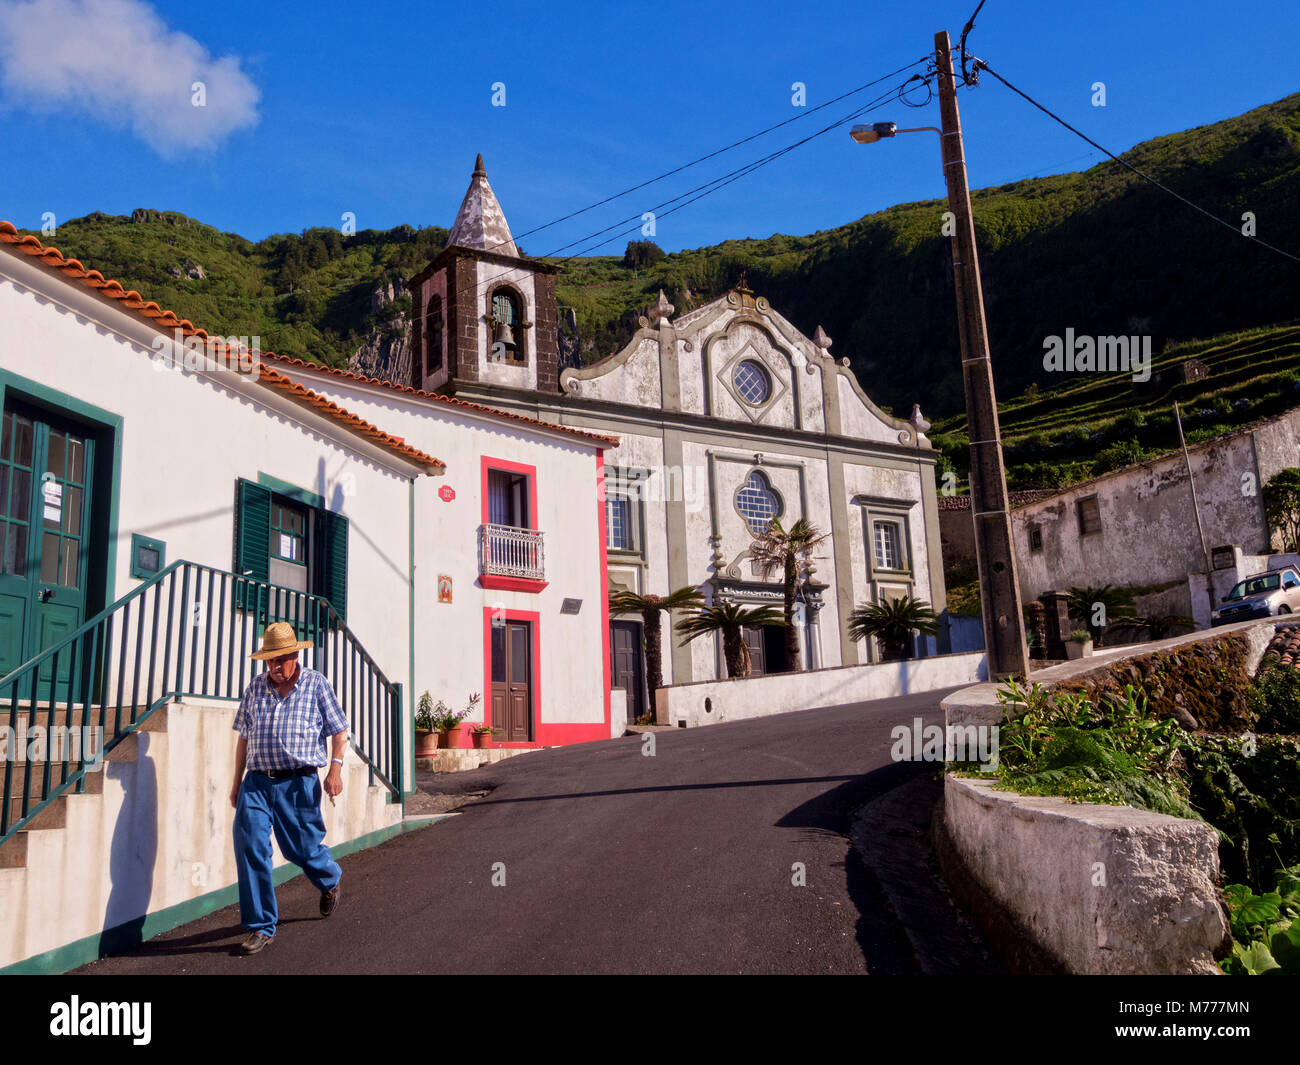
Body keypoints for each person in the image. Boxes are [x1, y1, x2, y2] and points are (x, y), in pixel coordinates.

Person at [230, 621, 349, 955]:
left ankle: (329, 879)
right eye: (269, 660)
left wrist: (335, 769)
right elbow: (243, 737)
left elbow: (340, 731)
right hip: (256, 781)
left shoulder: (316, 685)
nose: (274, 667)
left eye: (280, 659)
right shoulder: (255, 688)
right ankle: (260, 926)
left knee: (301, 849)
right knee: (251, 845)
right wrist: (236, 782)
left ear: (296, 654)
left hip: (298, 782)